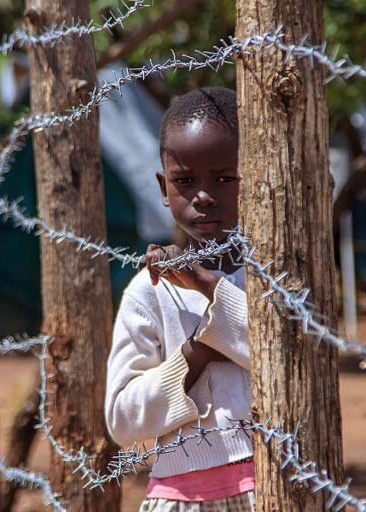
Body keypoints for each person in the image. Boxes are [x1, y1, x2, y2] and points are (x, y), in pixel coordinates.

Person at [104, 87, 255, 512]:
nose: (204, 196)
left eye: (226, 179)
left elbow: (288, 355)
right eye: (185, 181)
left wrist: (207, 285)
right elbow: (122, 420)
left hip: (276, 487)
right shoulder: (149, 292)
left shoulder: (274, 279)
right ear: (163, 187)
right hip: (181, 498)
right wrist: (197, 354)